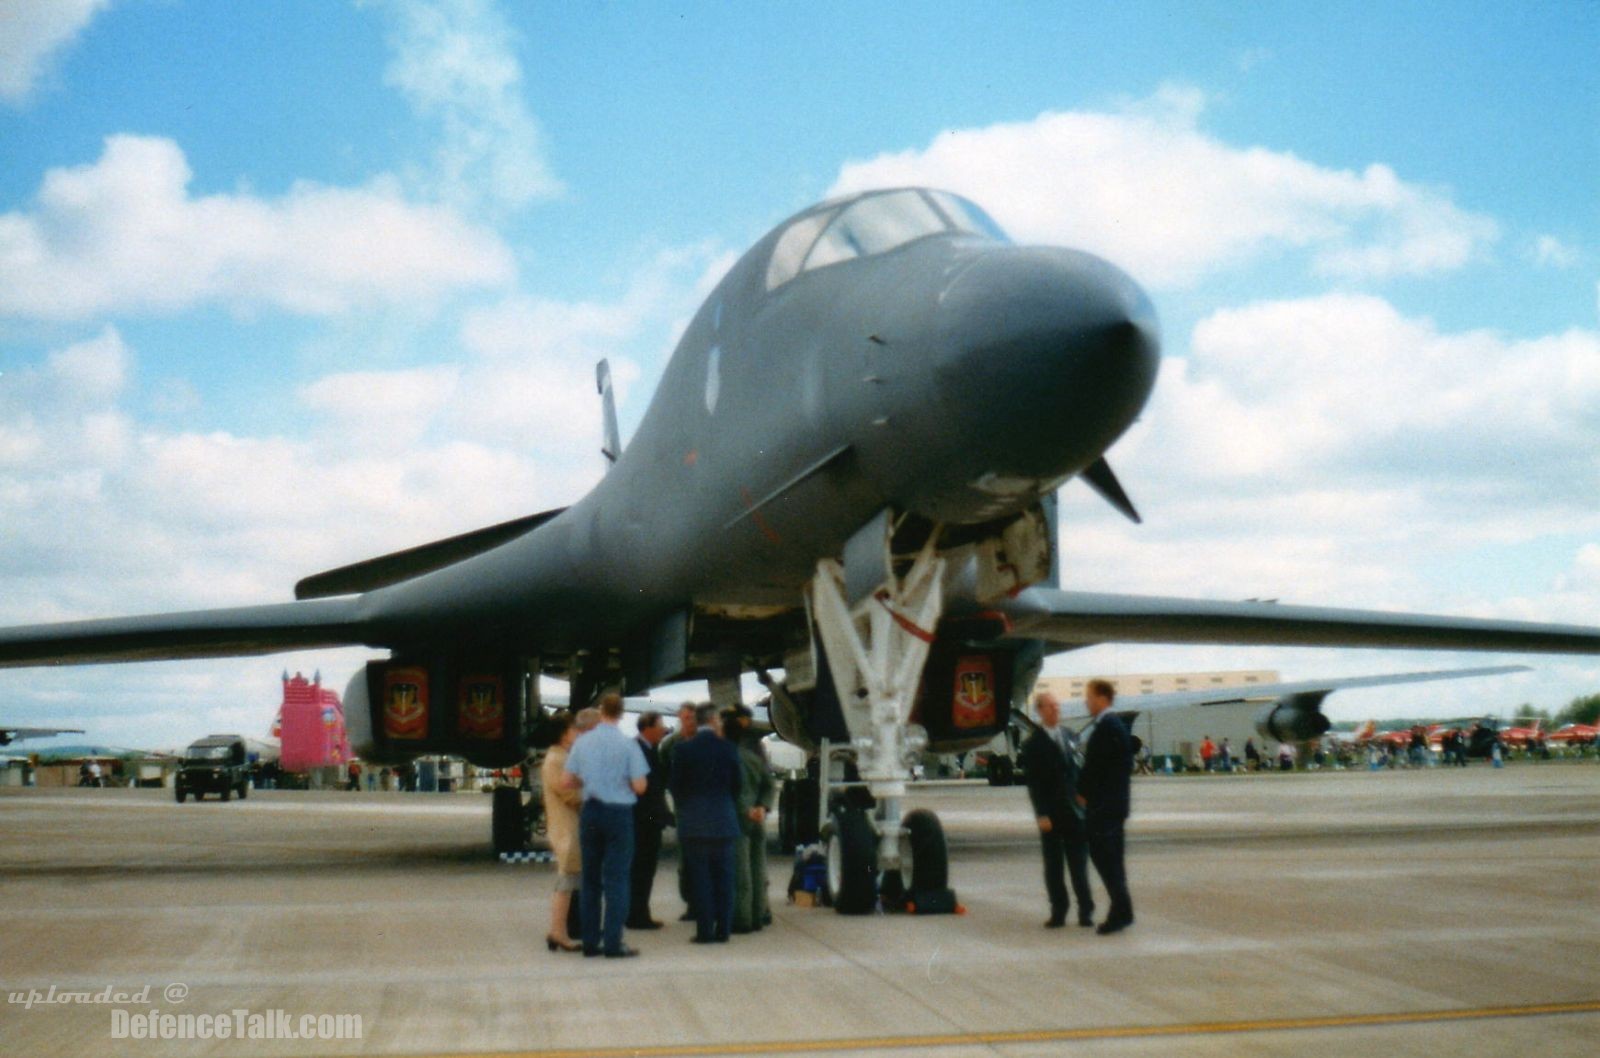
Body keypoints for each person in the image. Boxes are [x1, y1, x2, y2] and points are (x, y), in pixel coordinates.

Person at [564, 693, 649, 958]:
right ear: (622, 714)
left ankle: (590, 942)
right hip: (619, 814)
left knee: (590, 879)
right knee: (617, 879)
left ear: (601, 712)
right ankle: (613, 942)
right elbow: (640, 786)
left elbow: (567, 781)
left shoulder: (583, 742)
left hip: (591, 811)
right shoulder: (628, 745)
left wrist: (589, 782)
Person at [668, 703, 742, 943]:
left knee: (701, 880)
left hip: (694, 824)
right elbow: (736, 786)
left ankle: (705, 932)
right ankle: (724, 930)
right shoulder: (729, 749)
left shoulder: (683, 750)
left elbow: (675, 787)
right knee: (725, 879)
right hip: (723, 821)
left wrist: (688, 809)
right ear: (712, 721)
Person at [1020, 692, 1094, 929]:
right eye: (1051, 706)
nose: (1056, 710)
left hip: (1075, 812)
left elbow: (1079, 771)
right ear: (1040, 711)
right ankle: (1059, 911)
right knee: (1053, 867)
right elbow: (1034, 784)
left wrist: (1085, 798)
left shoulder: (1071, 736)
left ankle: (1086, 911)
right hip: (1051, 814)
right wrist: (1041, 814)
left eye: (1057, 706)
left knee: (1079, 865)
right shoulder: (1032, 744)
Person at [1075, 678, 1134, 935]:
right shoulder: (1112, 726)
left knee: (1106, 858)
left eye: (1088, 696)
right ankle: (1121, 910)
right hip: (1112, 804)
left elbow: (1098, 768)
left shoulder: (1108, 727)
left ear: (1102, 698)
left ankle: (1122, 911)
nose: (1085, 701)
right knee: (1112, 860)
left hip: (1105, 806)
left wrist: (1084, 793)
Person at [725, 705, 775, 934]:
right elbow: (769, 784)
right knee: (758, 868)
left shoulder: (728, 757)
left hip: (738, 818)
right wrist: (762, 808)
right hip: (757, 818)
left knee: (741, 872)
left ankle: (741, 919)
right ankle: (759, 914)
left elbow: (732, 790)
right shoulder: (755, 755)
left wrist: (746, 809)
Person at [540, 712, 585, 953]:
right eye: (573, 729)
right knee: (566, 881)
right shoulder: (557, 759)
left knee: (568, 881)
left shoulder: (561, 757)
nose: (577, 733)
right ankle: (558, 931)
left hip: (568, 825)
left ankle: (559, 931)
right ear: (563, 733)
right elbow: (567, 793)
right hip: (567, 827)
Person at [627, 711, 670, 931]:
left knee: (642, 869)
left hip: (647, 819)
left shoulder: (650, 749)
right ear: (647, 728)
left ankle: (637, 912)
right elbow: (647, 791)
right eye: (660, 725)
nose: (663, 729)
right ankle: (637, 916)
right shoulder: (638, 749)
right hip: (643, 821)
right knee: (642, 868)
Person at [657, 702, 699, 921]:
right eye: (685, 718)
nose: (689, 722)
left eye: (692, 718)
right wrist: (664, 810)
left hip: (706, 808)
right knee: (687, 860)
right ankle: (692, 903)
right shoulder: (671, 744)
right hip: (683, 808)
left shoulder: (707, 743)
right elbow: (659, 778)